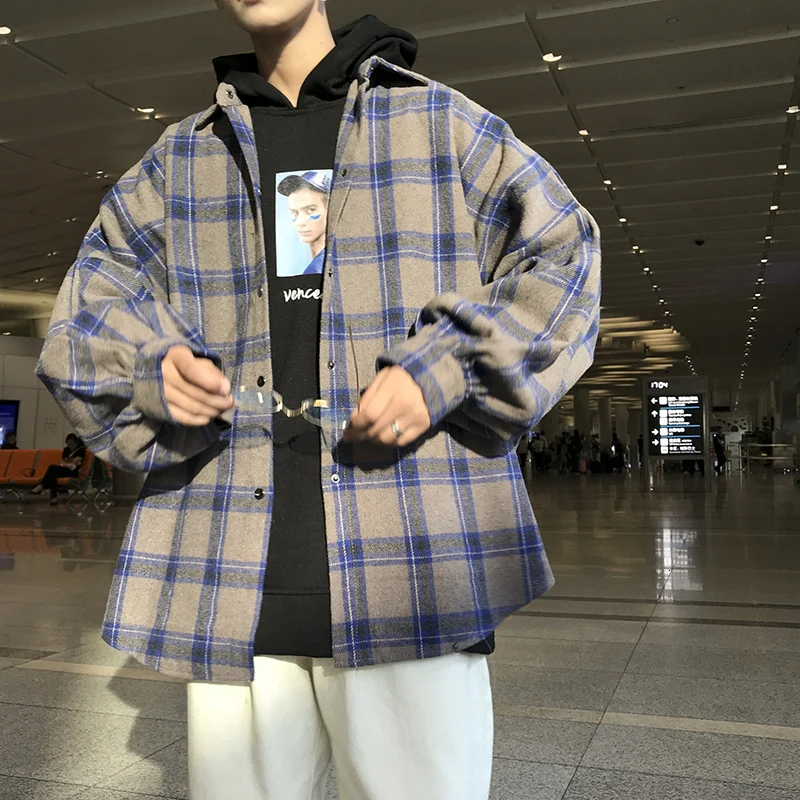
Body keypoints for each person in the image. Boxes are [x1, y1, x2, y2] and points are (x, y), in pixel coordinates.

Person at [35, 4, 601, 799]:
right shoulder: (182, 159)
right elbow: (84, 310)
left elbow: (565, 258)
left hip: (410, 577)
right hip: (230, 582)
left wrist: (442, 367)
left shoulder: (440, 124)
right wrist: (151, 364)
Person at [277, 170, 331, 275]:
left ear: (330, 209)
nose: (300, 222)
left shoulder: (317, 268)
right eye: (294, 212)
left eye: (311, 210)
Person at [31, 434, 86, 505]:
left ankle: (42, 486)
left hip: (72, 471)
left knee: (52, 468)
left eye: (72, 444)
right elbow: (62, 461)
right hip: (64, 469)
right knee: (53, 474)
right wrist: (67, 462)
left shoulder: (81, 450)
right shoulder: (66, 449)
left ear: (76, 442)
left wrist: (67, 462)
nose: (70, 446)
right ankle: (53, 498)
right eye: (68, 444)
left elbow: (76, 461)